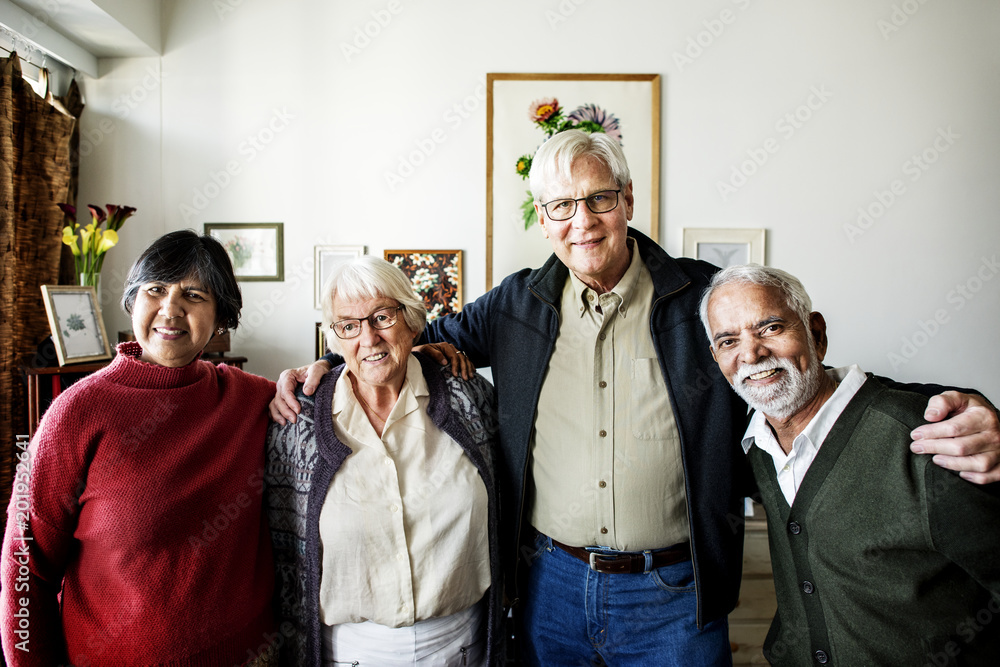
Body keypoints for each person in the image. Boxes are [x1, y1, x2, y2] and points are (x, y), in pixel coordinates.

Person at [271, 130, 1000, 665]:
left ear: (626, 200)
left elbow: (797, 366)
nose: (581, 221)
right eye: (560, 206)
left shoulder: (700, 298)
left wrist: (946, 402)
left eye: (598, 199)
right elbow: (398, 339)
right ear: (542, 217)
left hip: (673, 591)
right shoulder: (515, 305)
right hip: (550, 582)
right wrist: (319, 372)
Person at [700, 264, 1000, 665]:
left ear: (816, 334)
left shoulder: (932, 442)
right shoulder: (755, 448)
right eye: (729, 340)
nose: (751, 354)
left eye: (770, 328)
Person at [1, 230, 278, 665]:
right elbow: (24, 563)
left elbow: (341, 380)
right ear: (133, 299)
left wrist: (320, 366)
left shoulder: (247, 397)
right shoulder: (76, 411)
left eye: (193, 294)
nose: (171, 309)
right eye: (156, 289)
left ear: (221, 316)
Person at [265, 255, 502, 666]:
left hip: (460, 644)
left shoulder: (469, 397)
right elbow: (280, 553)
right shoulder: (296, 419)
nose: (369, 338)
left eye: (382, 317)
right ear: (335, 337)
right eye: (349, 326)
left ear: (411, 320)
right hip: (351, 652)